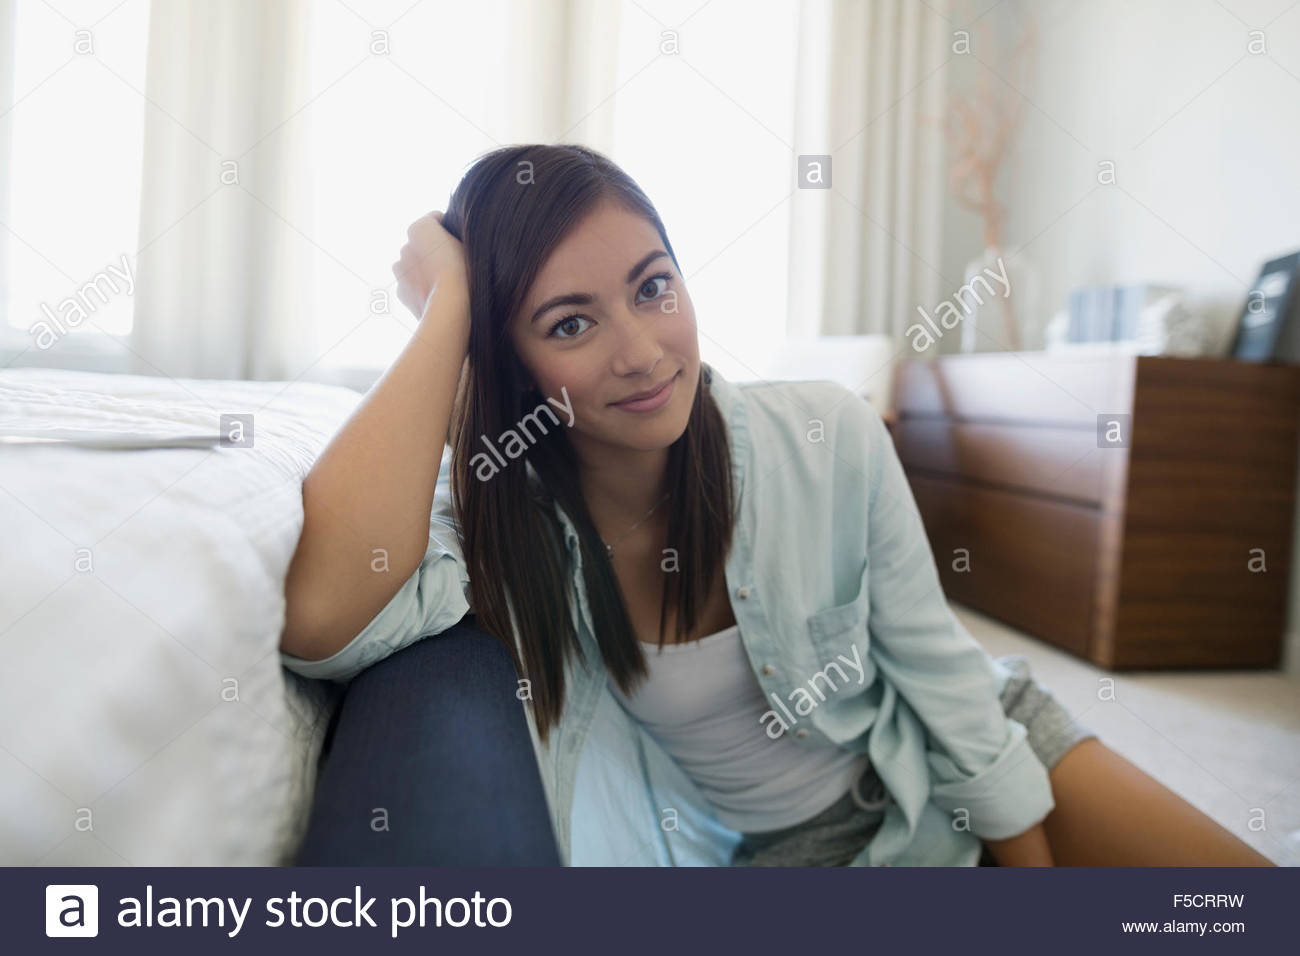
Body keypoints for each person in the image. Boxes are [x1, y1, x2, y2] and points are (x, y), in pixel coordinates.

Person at [280, 144, 1273, 868]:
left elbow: (942, 671)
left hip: (966, 751)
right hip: (796, 855)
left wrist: (1028, 866)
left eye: (652, 286)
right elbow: (321, 617)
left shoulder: (828, 434)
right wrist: (446, 309)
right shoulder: (511, 529)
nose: (640, 348)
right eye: (570, 321)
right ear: (504, 359)